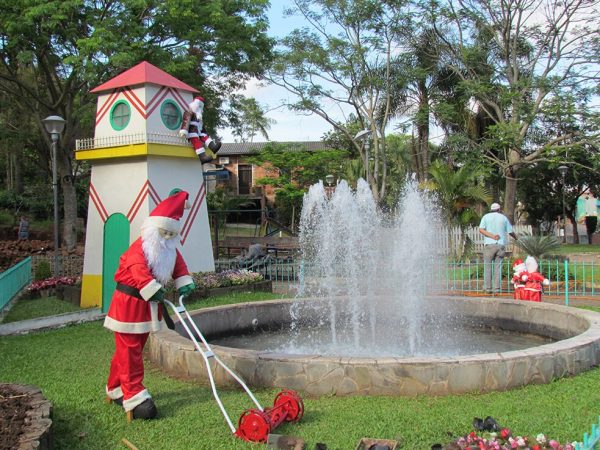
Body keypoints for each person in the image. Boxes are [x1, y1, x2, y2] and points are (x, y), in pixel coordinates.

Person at [103, 190, 196, 420]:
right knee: (130, 350)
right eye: (163, 233)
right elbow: (139, 272)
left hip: (145, 306)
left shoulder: (167, 248)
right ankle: (133, 396)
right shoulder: (141, 248)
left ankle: (116, 387)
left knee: (129, 348)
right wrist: (154, 289)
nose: (166, 238)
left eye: (170, 234)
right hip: (128, 304)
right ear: (154, 229)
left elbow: (177, 263)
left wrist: (184, 281)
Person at [478, 203, 518, 294]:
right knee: (498, 267)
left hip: (489, 245)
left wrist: (491, 236)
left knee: (487, 267)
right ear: (499, 210)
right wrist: (516, 238)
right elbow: (510, 231)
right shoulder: (503, 218)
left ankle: (487, 288)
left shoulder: (485, 217)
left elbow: (481, 229)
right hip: (500, 245)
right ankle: (496, 289)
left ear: (491, 209)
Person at [179, 96, 222, 163]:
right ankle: (202, 156)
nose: (199, 109)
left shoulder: (199, 116)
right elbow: (186, 121)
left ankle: (213, 147)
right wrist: (184, 130)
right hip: (192, 131)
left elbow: (201, 125)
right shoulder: (189, 112)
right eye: (198, 106)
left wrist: (204, 132)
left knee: (205, 137)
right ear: (194, 105)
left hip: (199, 131)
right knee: (196, 141)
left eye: (200, 107)